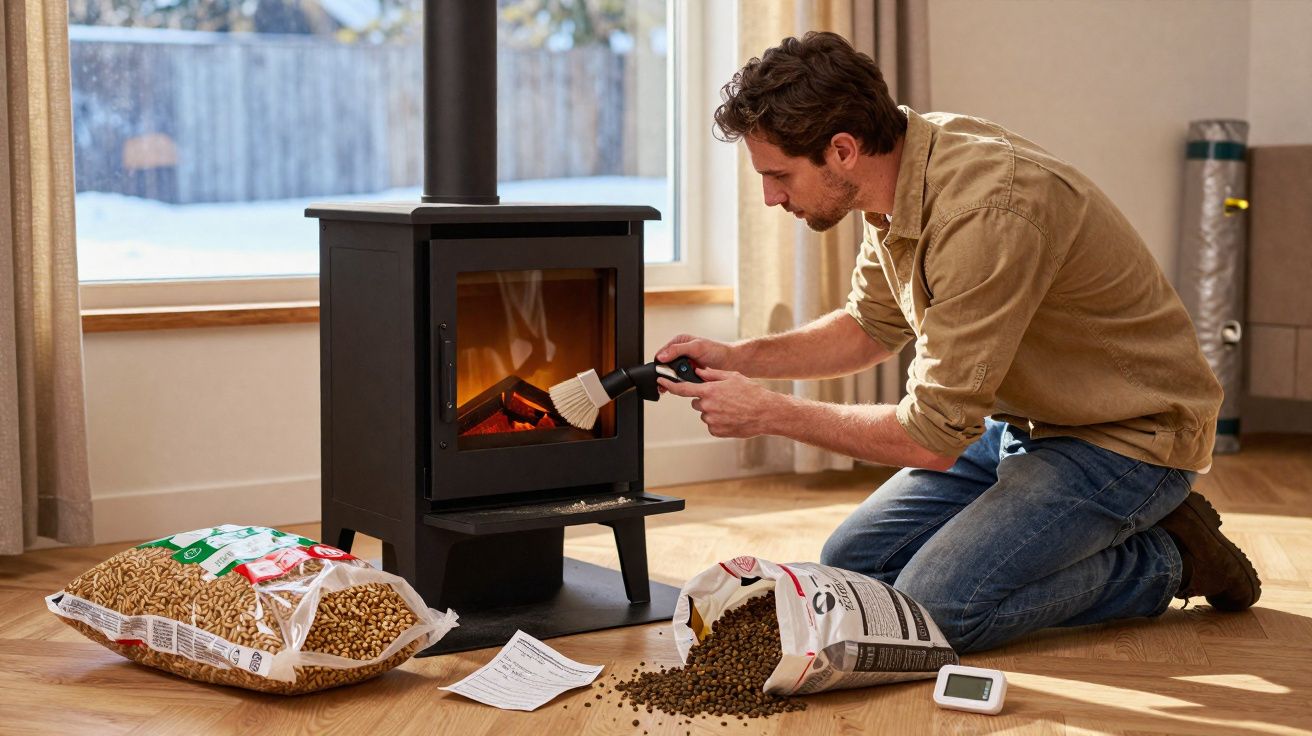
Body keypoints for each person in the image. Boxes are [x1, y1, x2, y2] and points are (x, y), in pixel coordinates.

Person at [653, 31, 1261, 653]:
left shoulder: (984, 213)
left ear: (841, 150)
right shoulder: (893, 180)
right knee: (851, 562)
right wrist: (736, 358)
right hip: (1027, 423)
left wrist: (772, 414)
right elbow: (869, 327)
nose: (770, 196)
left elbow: (930, 439)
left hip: (1128, 438)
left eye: (779, 175)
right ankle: (1084, 536)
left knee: (937, 611)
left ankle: (1170, 558)